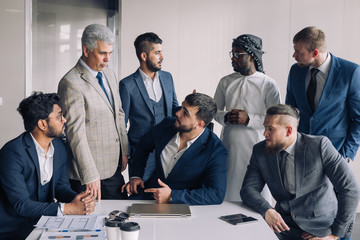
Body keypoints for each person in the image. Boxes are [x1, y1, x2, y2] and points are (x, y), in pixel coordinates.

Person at [240, 104, 359, 240]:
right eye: (265, 127)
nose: (265, 133)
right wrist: (267, 210)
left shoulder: (320, 146)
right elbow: (248, 189)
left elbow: (350, 188)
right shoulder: (260, 151)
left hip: (320, 227)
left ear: (289, 131)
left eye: (270, 129)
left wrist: (334, 235)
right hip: (283, 225)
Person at [0, 92, 96, 240]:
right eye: (59, 116)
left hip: (44, 224)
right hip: (12, 230)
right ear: (42, 124)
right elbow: (21, 205)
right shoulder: (11, 153)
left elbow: (60, 188)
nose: (64, 120)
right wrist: (68, 208)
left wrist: (80, 200)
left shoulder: (59, 146)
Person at [58, 24, 129, 201]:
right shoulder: (71, 82)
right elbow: (75, 133)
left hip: (113, 165)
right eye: (103, 53)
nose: (107, 59)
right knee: (89, 223)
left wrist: (124, 151)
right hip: (88, 173)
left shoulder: (110, 75)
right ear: (86, 50)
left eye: (110, 53)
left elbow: (119, 114)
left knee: (118, 216)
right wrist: (89, 174)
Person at [122, 93, 227, 205]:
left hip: (184, 205)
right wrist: (136, 175)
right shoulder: (167, 125)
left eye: (185, 113)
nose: (178, 113)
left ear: (199, 124)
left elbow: (216, 194)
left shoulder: (215, 149)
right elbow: (143, 145)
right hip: (149, 195)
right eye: (182, 107)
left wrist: (172, 196)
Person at [214, 34, 280, 201]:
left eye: (238, 54)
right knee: (229, 195)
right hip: (230, 147)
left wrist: (249, 119)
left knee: (257, 197)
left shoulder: (268, 84)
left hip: (258, 147)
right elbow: (214, 111)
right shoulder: (225, 82)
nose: (233, 59)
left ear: (251, 55)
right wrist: (227, 117)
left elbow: (276, 118)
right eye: (232, 54)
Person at [286, 26, 360, 162]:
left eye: (298, 52)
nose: (294, 56)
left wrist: (346, 153)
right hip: (299, 152)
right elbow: (289, 111)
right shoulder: (295, 71)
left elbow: (358, 118)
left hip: (335, 153)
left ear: (314, 53)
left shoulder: (350, 72)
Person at [120, 32, 178, 180]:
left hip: (167, 148)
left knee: (164, 194)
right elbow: (121, 123)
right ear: (144, 56)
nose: (162, 57)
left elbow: (173, 108)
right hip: (140, 152)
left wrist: (190, 107)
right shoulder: (127, 85)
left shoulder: (167, 77)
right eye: (157, 52)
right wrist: (124, 152)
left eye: (161, 52)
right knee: (141, 195)